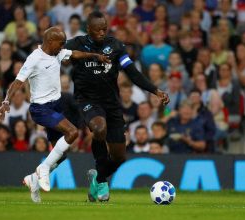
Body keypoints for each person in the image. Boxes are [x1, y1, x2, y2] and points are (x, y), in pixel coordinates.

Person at [0, 27, 110, 203]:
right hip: (41, 109)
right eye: (61, 42)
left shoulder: (58, 52)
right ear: (50, 41)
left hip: (55, 106)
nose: (63, 46)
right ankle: (43, 168)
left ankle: (34, 179)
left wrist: (95, 56)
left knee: (61, 154)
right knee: (72, 133)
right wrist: (6, 101)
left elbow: (75, 54)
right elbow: (18, 82)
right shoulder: (34, 58)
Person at [64, 11, 169, 202]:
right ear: (89, 29)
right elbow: (60, 58)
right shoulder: (76, 44)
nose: (102, 32)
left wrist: (155, 90)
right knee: (99, 128)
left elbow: (132, 72)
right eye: (98, 29)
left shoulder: (116, 47)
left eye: (105, 28)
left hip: (111, 103)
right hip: (87, 100)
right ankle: (103, 185)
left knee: (119, 157)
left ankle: (98, 178)